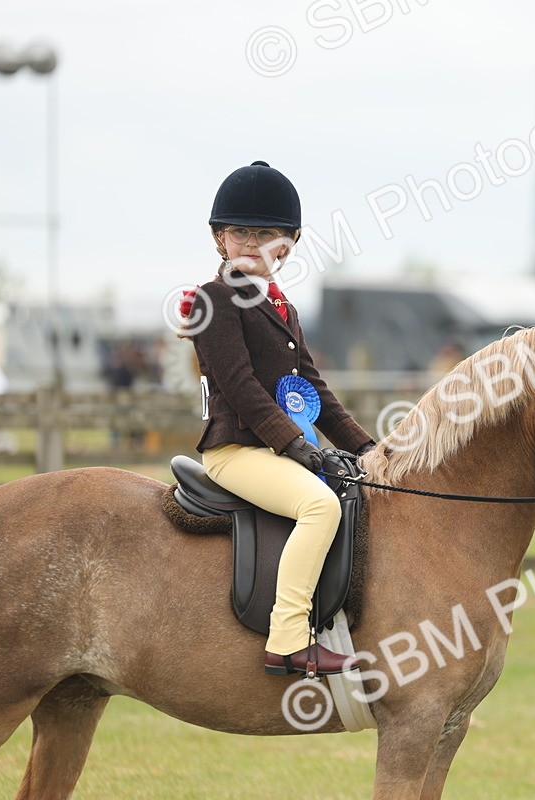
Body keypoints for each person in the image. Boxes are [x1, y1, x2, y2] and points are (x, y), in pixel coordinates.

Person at [183, 161, 377, 677]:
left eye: (267, 233)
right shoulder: (214, 299)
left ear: (288, 243)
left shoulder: (281, 307)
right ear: (219, 239)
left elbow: (312, 389)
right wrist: (294, 444)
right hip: (237, 451)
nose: (253, 242)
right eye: (241, 232)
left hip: (274, 449)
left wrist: (370, 449)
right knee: (319, 506)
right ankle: (289, 639)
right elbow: (241, 387)